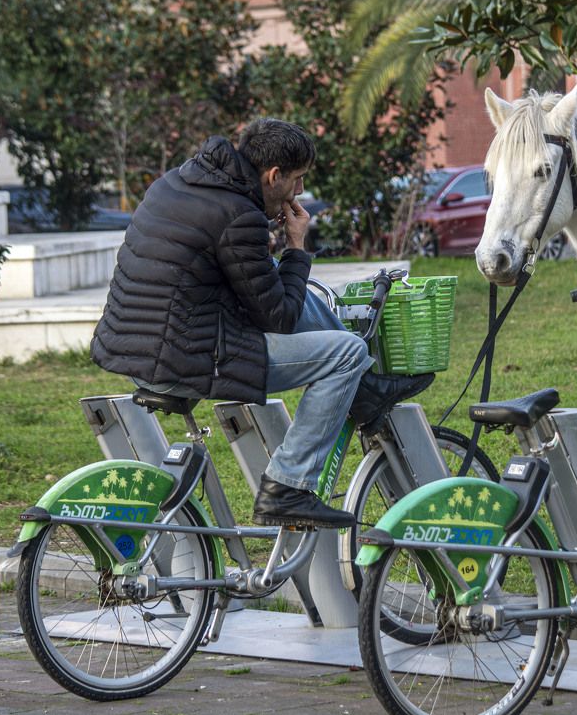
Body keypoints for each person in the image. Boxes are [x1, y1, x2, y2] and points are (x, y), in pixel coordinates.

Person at [91, 118, 431, 529]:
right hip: (187, 361)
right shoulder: (240, 216)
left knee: (277, 278)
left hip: (137, 348)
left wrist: (274, 256)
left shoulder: (176, 183)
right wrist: (297, 247)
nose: (300, 192)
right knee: (348, 353)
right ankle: (287, 486)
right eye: (298, 180)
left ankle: (366, 391)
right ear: (273, 175)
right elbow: (280, 319)